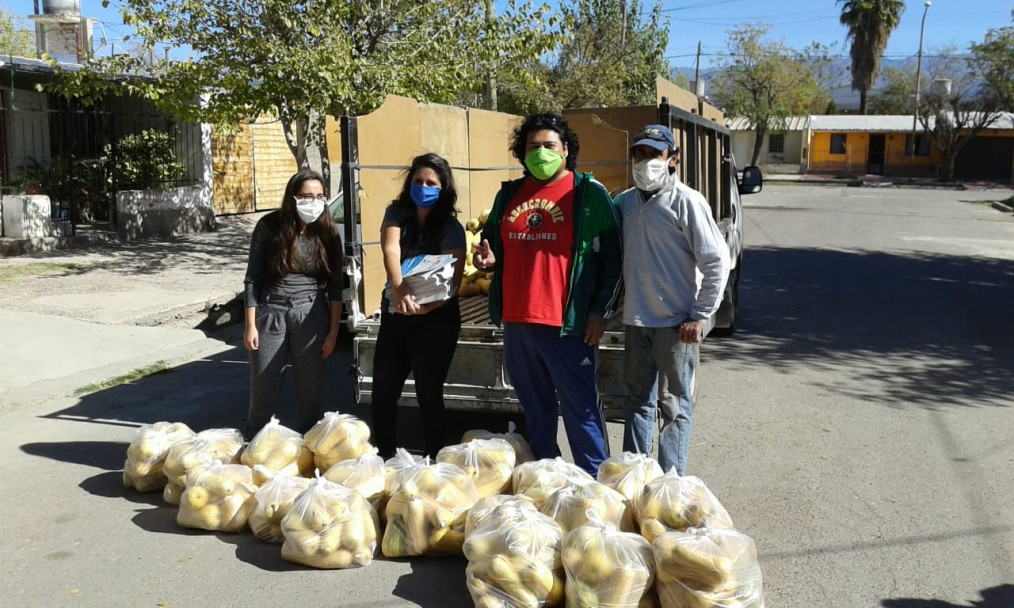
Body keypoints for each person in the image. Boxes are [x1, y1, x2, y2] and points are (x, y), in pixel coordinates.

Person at [472, 113, 622, 476]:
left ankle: (595, 488)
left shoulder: (587, 193)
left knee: (581, 410)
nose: (540, 152)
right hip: (519, 323)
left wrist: (601, 311)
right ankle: (548, 484)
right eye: (532, 147)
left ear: (566, 150)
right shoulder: (508, 194)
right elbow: (493, 249)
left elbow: (615, 257)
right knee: (535, 412)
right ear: (522, 153)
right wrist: (489, 260)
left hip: (567, 326)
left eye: (549, 146)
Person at [612, 124, 730, 475]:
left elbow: (716, 261)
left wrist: (700, 315)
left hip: (677, 326)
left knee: (674, 405)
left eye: (655, 155)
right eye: (640, 154)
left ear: (673, 159)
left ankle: (670, 483)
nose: (646, 161)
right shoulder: (624, 204)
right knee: (637, 402)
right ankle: (635, 477)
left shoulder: (687, 202)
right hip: (637, 321)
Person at [371, 153, 466, 459]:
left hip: (436, 320)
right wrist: (399, 290)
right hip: (397, 315)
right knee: (383, 392)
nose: (423, 187)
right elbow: (390, 247)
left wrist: (425, 308)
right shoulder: (397, 212)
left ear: (443, 188)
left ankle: (433, 461)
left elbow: (453, 281)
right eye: (418, 181)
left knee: (429, 393)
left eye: (431, 183)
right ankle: (384, 456)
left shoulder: (451, 226)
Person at [243, 170, 344, 439]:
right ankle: (255, 446)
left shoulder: (328, 233)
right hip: (271, 311)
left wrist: (333, 333)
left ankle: (310, 452)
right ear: (293, 197)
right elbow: (252, 278)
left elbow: (335, 288)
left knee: (309, 389)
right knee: (264, 386)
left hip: (310, 313)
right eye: (308, 196)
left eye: (320, 196)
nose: (315, 202)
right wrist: (250, 326)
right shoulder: (269, 226)